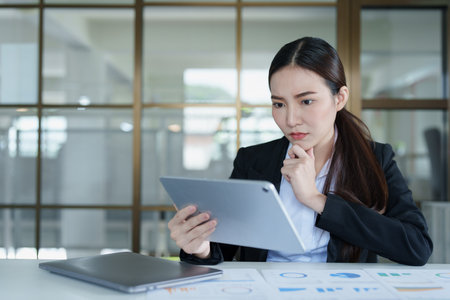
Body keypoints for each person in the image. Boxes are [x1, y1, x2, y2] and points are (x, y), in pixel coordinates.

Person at [168, 37, 433, 266]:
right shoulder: (253, 160)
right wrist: (200, 248)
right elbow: (223, 249)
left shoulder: (375, 159)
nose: (291, 119)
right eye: (279, 104)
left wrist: (316, 200)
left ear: (339, 98)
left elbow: (416, 247)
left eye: (306, 101)